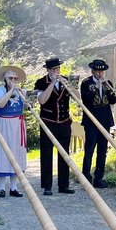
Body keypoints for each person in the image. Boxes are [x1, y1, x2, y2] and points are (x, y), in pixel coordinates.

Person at [33, 57, 75, 196]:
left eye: (57, 69)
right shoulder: (41, 82)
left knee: (64, 154)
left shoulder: (66, 80)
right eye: (53, 69)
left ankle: (63, 185)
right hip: (48, 122)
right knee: (46, 153)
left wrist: (69, 86)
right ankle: (47, 185)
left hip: (64, 122)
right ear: (48, 70)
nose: (56, 71)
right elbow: (42, 100)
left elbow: (78, 98)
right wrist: (52, 83)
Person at [0, 65, 27, 198]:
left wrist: (22, 95)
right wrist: (11, 91)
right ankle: (1, 188)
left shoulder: (22, 91)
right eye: (10, 78)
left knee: (17, 153)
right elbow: (0, 104)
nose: (13, 80)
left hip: (17, 124)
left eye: (15, 78)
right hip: (2, 123)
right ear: (5, 78)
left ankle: (14, 187)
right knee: (2, 153)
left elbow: (28, 106)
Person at [80, 59, 116, 189]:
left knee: (102, 151)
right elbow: (86, 100)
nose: (100, 73)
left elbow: (113, 101)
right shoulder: (86, 83)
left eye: (102, 71)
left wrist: (109, 89)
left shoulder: (108, 83)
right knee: (89, 149)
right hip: (91, 121)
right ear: (93, 71)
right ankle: (86, 177)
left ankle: (99, 178)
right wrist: (96, 87)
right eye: (98, 70)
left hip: (105, 120)